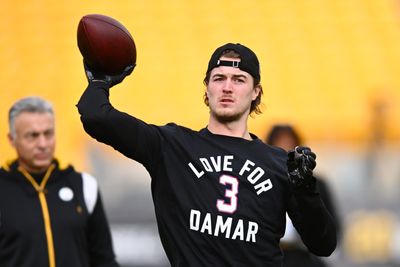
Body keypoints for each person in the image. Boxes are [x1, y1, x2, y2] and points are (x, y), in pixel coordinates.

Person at [77, 43, 337, 266]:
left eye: (238, 80)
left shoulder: (279, 163)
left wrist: (306, 190)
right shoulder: (172, 147)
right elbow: (95, 115)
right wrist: (100, 81)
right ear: (207, 88)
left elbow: (323, 244)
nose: (227, 87)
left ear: (256, 92)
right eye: (219, 78)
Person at [0, 96, 119, 267]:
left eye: (48, 134)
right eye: (32, 136)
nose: (42, 143)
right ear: (12, 139)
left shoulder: (84, 185)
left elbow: (104, 259)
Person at [266, 124, 341, 267]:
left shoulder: (316, 184)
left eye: (289, 145)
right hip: (272, 256)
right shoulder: (261, 182)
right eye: (279, 145)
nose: (285, 150)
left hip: (305, 257)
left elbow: (330, 230)